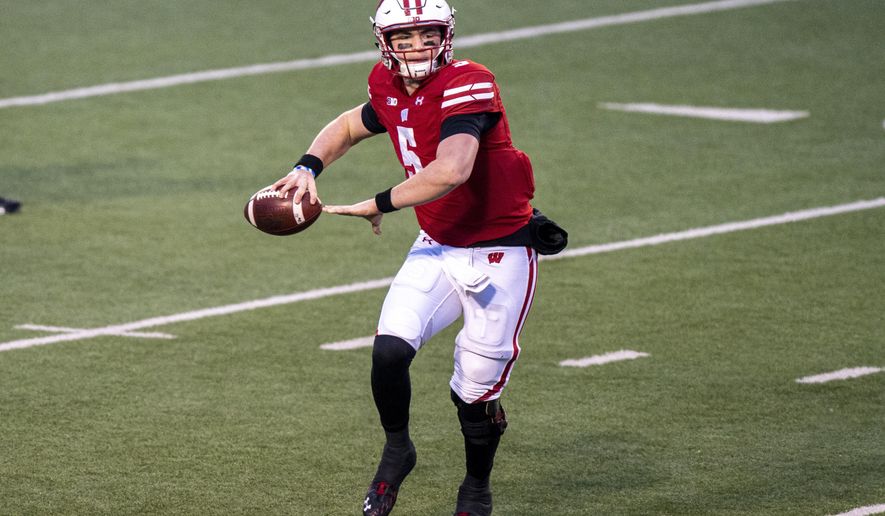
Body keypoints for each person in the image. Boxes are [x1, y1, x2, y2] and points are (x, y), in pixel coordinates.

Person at [271, 1, 566, 514]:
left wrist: (378, 202)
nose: (417, 46)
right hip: (437, 243)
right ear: (384, 43)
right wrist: (307, 167)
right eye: (403, 38)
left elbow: (452, 169)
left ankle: (476, 486)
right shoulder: (385, 84)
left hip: (499, 250)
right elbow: (348, 125)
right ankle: (397, 449)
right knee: (389, 351)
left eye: (427, 34)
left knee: (473, 396)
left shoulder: (469, 81)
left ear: (445, 35)